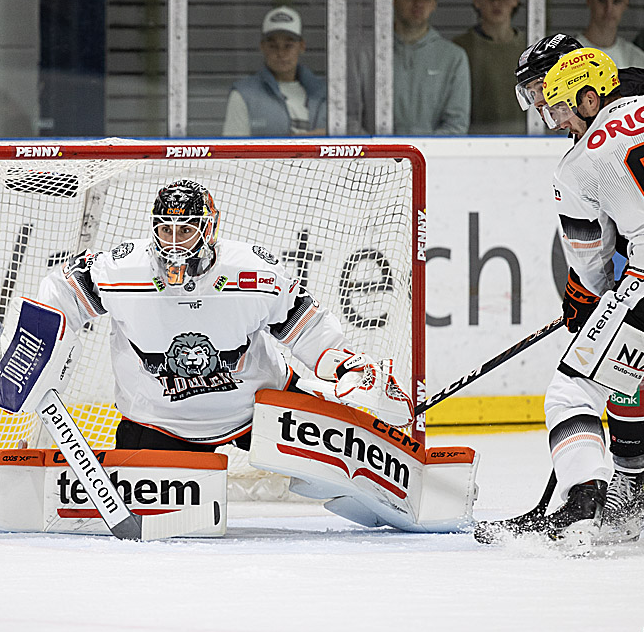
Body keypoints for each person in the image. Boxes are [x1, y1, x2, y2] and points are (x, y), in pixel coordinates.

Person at [509, 35, 644, 543]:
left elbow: (590, 263)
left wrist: (598, 297)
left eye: (553, 101)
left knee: (575, 387)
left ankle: (589, 499)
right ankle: (635, 487)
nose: (552, 117)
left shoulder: (577, 163)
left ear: (586, 92)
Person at [34, 180, 401, 452]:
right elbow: (64, 290)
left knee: (352, 451)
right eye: (165, 229)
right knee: (157, 519)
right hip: (162, 423)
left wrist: (346, 366)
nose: (174, 241)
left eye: (186, 229)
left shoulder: (252, 271)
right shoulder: (123, 269)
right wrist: (35, 344)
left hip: (258, 407)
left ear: (209, 228)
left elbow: (305, 326)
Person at [348, 0, 470, 136]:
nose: (418, 3)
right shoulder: (364, 53)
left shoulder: (454, 58)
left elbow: (456, 125)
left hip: (432, 161)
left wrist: (421, 155)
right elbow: (347, 118)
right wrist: (378, 155)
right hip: (374, 160)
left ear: (434, 3)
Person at [222, 6, 327, 137]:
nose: (281, 53)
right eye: (273, 46)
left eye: (288, 46)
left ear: (302, 46)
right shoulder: (243, 95)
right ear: (262, 47)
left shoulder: (326, 95)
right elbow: (233, 153)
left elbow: (354, 140)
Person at [452, 0, 527, 134]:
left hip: (525, 145)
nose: (496, 2)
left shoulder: (531, 49)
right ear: (476, 0)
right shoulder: (459, 50)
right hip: (474, 145)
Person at [577, 0, 644, 69]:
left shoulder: (636, 58)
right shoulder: (569, 55)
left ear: (626, 4)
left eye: (616, 2)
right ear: (589, 1)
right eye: (602, 0)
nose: (609, 9)